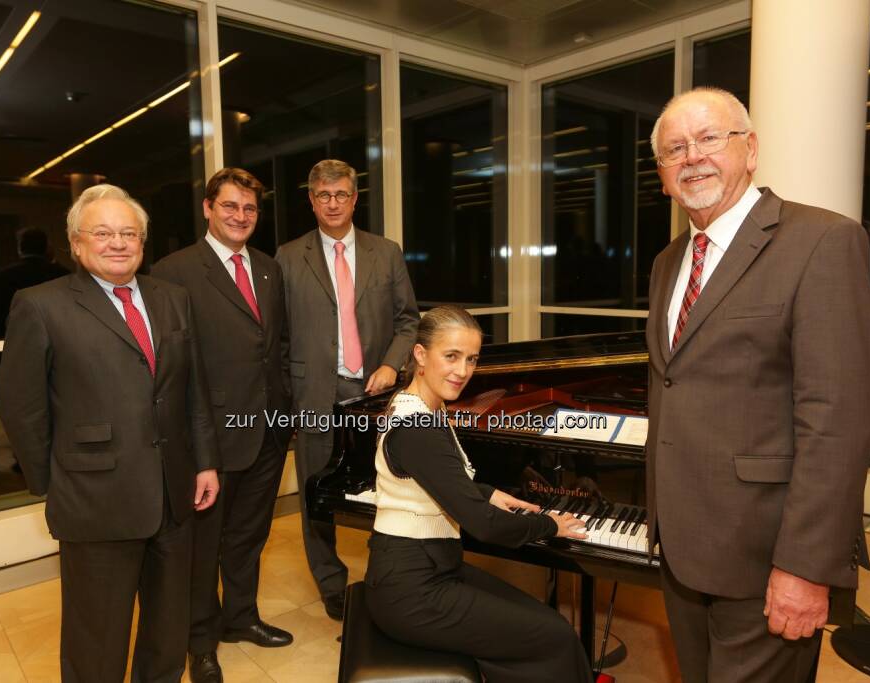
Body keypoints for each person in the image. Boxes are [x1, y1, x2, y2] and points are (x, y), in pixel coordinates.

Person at [645, 87, 870, 682]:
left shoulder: (821, 241)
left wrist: (805, 566)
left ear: (750, 150)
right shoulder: (668, 262)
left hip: (767, 554)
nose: (692, 157)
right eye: (674, 149)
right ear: (664, 175)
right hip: (681, 546)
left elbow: (837, 420)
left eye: (709, 138)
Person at [0, 184, 220, 683]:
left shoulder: (173, 298)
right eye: (103, 233)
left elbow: (193, 390)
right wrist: (54, 482)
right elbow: (21, 407)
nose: (118, 242)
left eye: (128, 233)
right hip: (94, 498)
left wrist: (204, 461)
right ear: (76, 243)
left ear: (143, 242)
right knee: (97, 635)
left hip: (174, 492)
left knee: (167, 628)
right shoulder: (40, 305)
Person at [364, 305, 592, 683]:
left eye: (471, 359)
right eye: (451, 356)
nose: (463, 371)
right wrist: (548, 526)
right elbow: (484, 528)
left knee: (545, 622)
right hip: (411, 592)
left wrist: (485, 492)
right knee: (556, 636)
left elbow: (433, 478)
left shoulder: (421, 406)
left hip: (429, 568)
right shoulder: (419, 425)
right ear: (420, 355)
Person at [152, 168, 294, 683]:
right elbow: (171, 367)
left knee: (248, 537)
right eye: (230, 206)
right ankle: (201, 642)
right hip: (206, 439)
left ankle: (241, 618)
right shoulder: (174, 272)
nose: (240, 216)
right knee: (201, 547)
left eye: (250, 209)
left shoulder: (267, 269)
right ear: (208, 209)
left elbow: (274, 349)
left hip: (268, 432)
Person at [275, 159, 419, 619]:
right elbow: (278, 334)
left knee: (389, 491)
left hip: (375, 396)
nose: (332, 203)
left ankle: (387, 576)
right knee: (318, 493)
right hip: (314, 393)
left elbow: (408, 321)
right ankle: (331, 583)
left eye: (341, 194)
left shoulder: (387, 252)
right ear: (311, 201)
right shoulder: (287, 256)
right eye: (323, 195)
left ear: (355, 199)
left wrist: (391, 365)